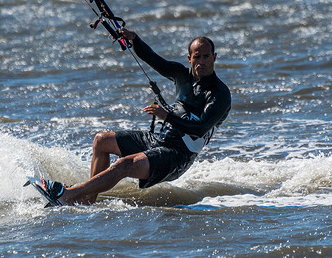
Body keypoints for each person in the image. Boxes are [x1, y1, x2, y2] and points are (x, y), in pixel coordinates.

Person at [42, 28, 231, 205]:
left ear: (214, 57)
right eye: (197, 57)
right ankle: (89, 200)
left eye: (206, 57)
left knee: (124, 165)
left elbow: (200, 129)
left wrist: (167, 117)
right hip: (160, 140)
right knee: (101, 140)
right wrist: (135, 39)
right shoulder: (182, 75)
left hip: (178, 155)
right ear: (189, 58)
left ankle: (70, 194)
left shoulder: (219, 94)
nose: (202, 62)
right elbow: (153, 59)